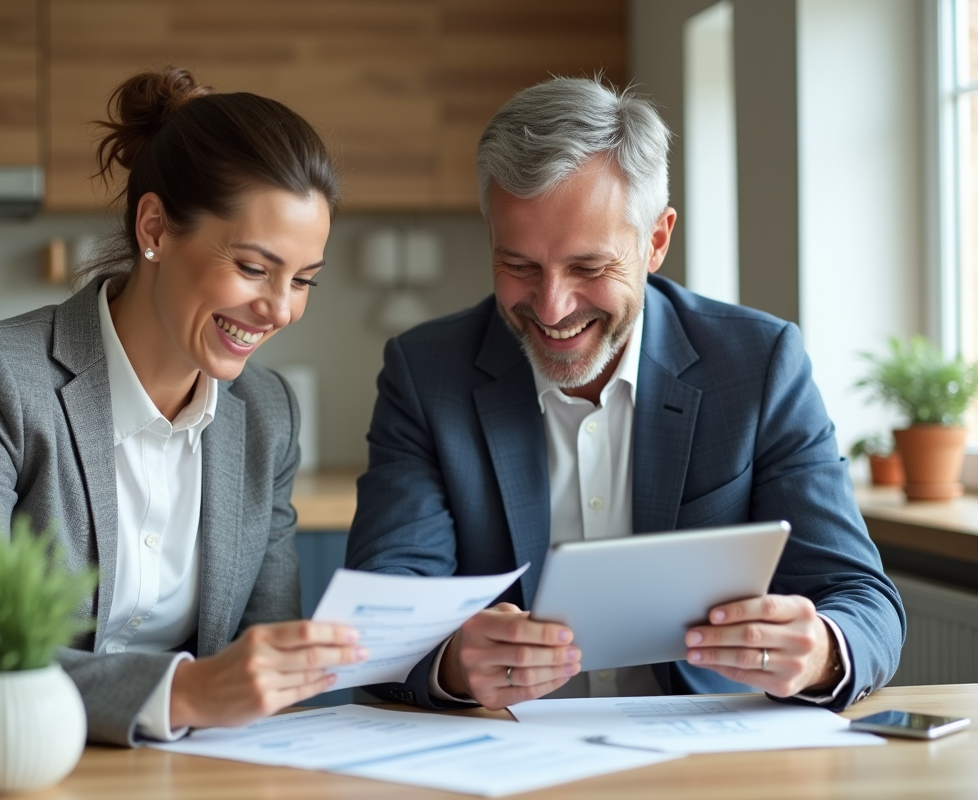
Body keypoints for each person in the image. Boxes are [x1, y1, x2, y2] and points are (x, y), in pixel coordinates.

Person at [345, 77, 905, 713]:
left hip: (709, 748)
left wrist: (822, 649)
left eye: (589, 267)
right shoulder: (426, 373)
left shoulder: (759, 364)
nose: (552, 308)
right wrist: (452, 663)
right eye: (519, 266)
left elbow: (862, 599)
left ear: (656, 241)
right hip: (504, 743)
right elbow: (381, 614)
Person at [0, 67, 368, 746]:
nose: (280, 309)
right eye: (254, 268)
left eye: (304, 279)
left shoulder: (267, 414)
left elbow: (265, 665)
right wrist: (180, 692)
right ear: (156, 227)